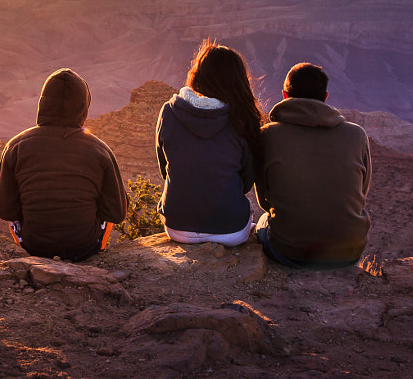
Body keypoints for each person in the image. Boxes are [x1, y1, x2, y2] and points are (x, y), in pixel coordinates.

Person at [0, 68, 128, 262]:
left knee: (14, 217)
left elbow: (5, 210)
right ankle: (97, 254)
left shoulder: (16, 146)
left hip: (34, 246)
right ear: (84, 106)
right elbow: (116, 213)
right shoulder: (101, 150)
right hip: (84, 247)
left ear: (43, 103)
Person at [255, 62, 372, 269]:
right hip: (348, 252)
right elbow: (361, 192)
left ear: (284, 95)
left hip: (289, 252)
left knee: (264, 220)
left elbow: (264, 199)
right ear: (326, 97)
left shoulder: (267, 135)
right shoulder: (357, 135)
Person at [156, 41, 264, 246]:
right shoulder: (242, 119)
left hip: (177, 227)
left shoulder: (169, 112)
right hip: (230, 232)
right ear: (238, 80)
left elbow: (164, 168)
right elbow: (247, 180)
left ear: (197, 75)